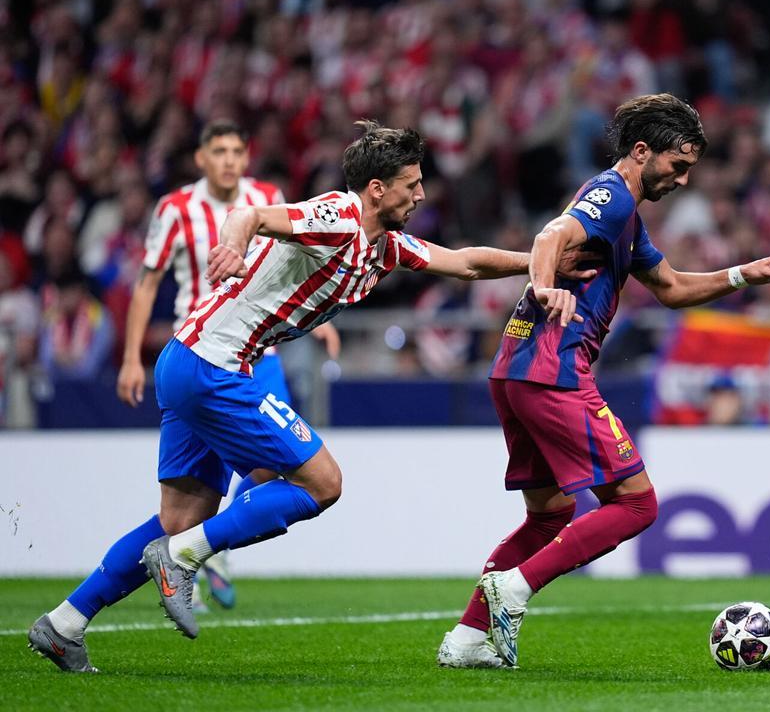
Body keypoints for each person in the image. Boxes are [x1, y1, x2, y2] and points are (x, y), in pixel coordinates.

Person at [27, 121, 591, 673]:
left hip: (190, 361)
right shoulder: (339, 216)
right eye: (411, 184)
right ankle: (185, 557)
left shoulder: (386, 247)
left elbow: (465, 261)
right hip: (214, 367)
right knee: (322, 483)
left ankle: (67, 622)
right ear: (377, 189)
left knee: (179, 519)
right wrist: (232, 242)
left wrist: (541, 265)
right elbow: (248, 214)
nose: (421, 194)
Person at [438, 93, 770, 669]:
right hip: (553, 368)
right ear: (642, 151)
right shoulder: (608, 196)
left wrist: (741, 274)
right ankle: (516, 588)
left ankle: (466, 639)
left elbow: (673, 289)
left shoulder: (627, 218)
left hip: (516, 368)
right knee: (637, 504)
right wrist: (541, 285)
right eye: (677, 165)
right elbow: (547, 239)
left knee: (550, 515)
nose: (683, 179)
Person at [116, 120, 338, 610]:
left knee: (272, 470)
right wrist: (131, 356)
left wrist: (318, 319)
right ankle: (199, 548)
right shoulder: (175, 209)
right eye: (219, 150)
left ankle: (204, 548)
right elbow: (147, 282)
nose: (230, 160)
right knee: (198, 501)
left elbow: (294, 261)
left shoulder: (265, 194)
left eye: (238, 149)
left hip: (263, 353)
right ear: (201, 158)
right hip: (201, 350)